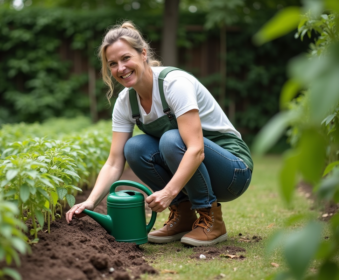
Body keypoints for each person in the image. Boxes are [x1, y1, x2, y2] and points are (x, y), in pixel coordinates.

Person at [66, 21, 253, 246]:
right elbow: (115, 162)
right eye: (112, 64)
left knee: (172, 139)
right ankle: (183, 216)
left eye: (126, 58)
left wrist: (168, 193)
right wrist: (91, 201)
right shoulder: (125, 102)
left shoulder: (174, 84)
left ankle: (211, 218)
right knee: (133, 148)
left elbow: (195, 149)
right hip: (197, 171)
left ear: (143, 54)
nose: (120, 68)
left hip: (232, 172)